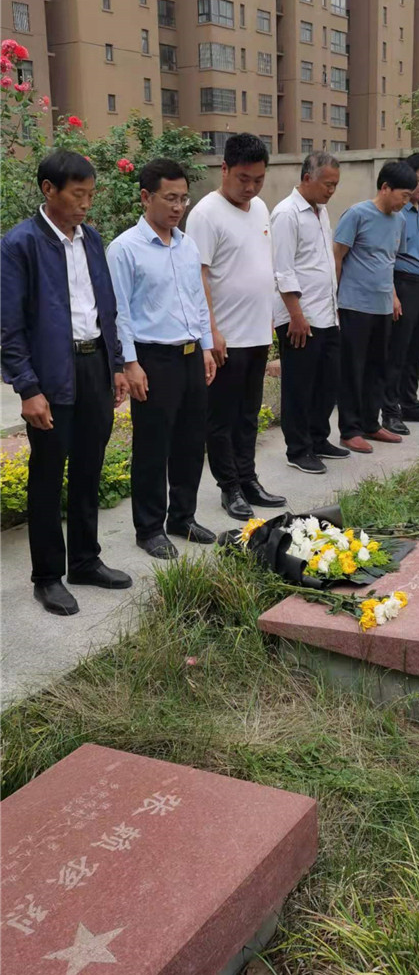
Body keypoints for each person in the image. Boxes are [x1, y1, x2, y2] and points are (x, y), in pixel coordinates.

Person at [1, 149, 132, 616]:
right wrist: (28, 388)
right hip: (51, 373)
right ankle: (47, 577)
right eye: (78, 194)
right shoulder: (20, 244)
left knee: (89, 467)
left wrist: (116, 365)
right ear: (48, 190)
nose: (86, 204)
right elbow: (9, 327)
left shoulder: (91, 239)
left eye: (91, 195)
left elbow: (105, 308)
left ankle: (84, 560)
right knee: (48, 474)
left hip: (94, 365)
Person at [107, 158, 216, 560]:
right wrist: (130, 363)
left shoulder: (187, 245)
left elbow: (198, 300)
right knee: (153, 446)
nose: (178, 206)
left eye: (183, 198)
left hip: (190, 355)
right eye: (170, 198)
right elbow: (118, 312)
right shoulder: (124, 249)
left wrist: (206, 346)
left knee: (191, 441)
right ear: (145, 197)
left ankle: (182, 517)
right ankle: (149, 528)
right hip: (153, 359)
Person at [186, 133, 286, 520]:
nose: (251, 187)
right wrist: (211, 332)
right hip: (226, 337)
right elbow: (199, 276)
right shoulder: (206, 214)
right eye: (244, 178)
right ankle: (229, 487)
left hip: (257, 333)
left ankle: (248, 479)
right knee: (222, 418)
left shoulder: (259, 208)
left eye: (258, 179)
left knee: (248, 414)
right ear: (224, 169)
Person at [272, 151, 348, 474]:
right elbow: (282, 270)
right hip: (299, 319)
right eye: (327, 184)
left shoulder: (321, 211)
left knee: (326, 383)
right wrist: (296, 316)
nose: (332, 190)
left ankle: (318, 438)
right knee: (299, 387)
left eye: (335, 185)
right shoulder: (286, 214)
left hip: (326, 314)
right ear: (307, 178)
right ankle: (298, 449)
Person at [334, 160, 417, 453]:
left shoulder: (399, 220)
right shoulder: (357, 214)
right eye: (404, 195)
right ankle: (350, 430)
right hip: (354, 305)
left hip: (382, 306)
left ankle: (371, 423)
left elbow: (388, 262)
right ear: (385, 187)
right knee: (352, 370)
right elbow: (337, 257)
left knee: (377, 368)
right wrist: (334, 299)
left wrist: (393, 296)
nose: (406, 202)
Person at [382, 152, 419, 434]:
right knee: (398, 351)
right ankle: (390, 411)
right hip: (403, 283)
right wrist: (393, 294)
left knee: (416, 350)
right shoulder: (397, 211)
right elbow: (388, 257)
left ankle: (410, 404)